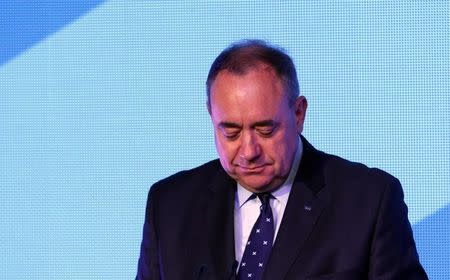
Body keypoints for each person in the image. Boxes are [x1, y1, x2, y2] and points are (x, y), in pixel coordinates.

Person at [136, 40, 428, 280]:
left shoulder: (368, 201)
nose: (249, 150)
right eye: (231, 132)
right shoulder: (170, 206)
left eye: (265, 129)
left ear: (299, 113)